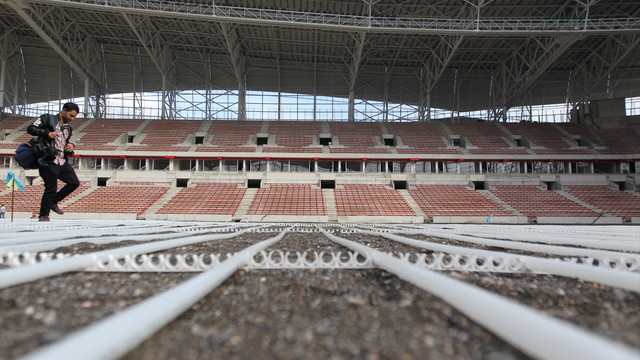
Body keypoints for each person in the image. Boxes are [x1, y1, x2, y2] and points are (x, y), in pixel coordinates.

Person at [27, 102, 80, 221]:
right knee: (51, 188)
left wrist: (71, 146)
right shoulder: (47, 119)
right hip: (47, 159)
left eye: (74, 117)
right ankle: (44, 215)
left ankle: (53, 202)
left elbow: (65, 142)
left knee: (74, 182)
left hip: (62, 160)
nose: (72, 119)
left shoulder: (68, 128)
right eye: (71, 116)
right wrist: (47, 133)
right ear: (64, 110)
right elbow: (30, 129)